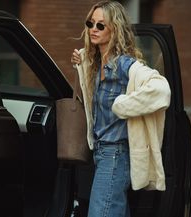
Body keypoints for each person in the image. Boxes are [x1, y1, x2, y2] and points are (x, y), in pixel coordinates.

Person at [70, 1, 171, 216]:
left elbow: (161, 90)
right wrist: (82, 63)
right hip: (100, 152)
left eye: (101, 25)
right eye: (91, 23)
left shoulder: (125, 65)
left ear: (115, 29)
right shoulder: (97, 64)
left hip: (116, 154)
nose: (93, 29)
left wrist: (122, 106)